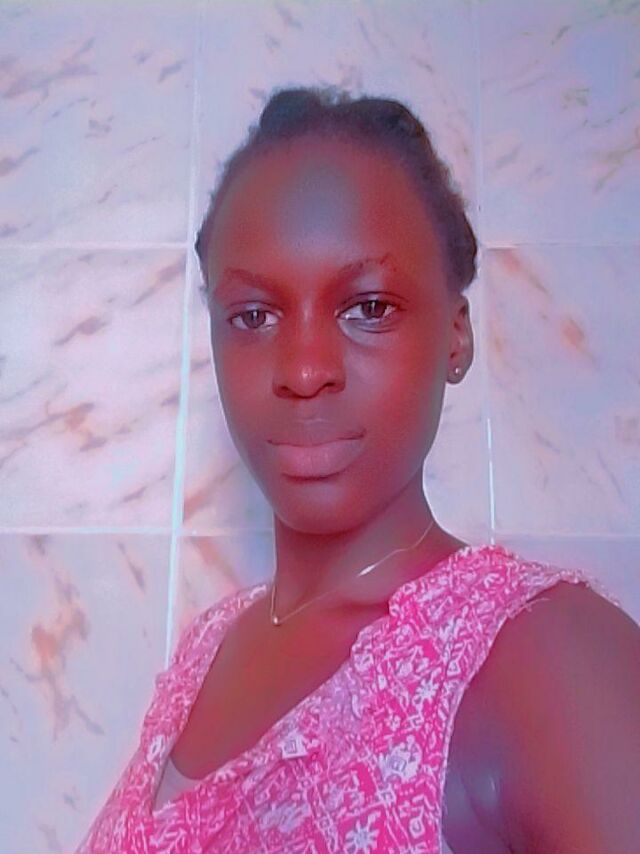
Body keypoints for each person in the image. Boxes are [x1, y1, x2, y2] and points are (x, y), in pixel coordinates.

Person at [75, 85, 640, 853]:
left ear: (456, 336)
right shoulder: (209, 647)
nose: (305, 370)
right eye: (253, 315)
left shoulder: (547, 656)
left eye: (369, 307)